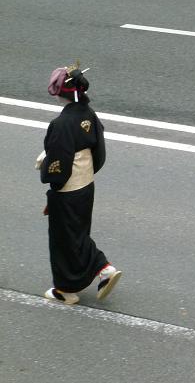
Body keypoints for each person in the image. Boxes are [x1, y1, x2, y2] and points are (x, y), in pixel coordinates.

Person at [36, 63, 122, 305]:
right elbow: (98, 152)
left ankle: (80, 281)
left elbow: (58, 166)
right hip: (86, 184)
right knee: (77, 232)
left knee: (64, 238)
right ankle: (86, 277)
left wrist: (50, 177)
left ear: (61, 93)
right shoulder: (88, 114)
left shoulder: (61, 124)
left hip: (68, 189)